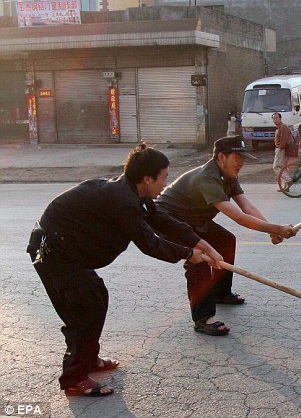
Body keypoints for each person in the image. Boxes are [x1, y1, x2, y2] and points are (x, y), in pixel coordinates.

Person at [27, 143, 222, 397]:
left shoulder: (135, 195)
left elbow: (161, 220)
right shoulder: (123, 201)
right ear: (147, 178)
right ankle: (74, 378)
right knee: (84, 310)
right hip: (54, 254)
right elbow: (150, 243)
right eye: (164, 177)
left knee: (97, 297)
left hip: (70, 251)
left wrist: (199, 242)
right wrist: (189, 254)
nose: (166, 182)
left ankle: (89, 359)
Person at [156, 137, 297, 336]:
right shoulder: (207, 177)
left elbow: (246, 207)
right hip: (170, 220)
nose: (241, 163)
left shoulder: (229, 175)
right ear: (221, 157)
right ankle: (203, 318)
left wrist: (272, 231)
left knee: (226, 240)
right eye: (237, 158)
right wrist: (276, 228)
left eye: (243, 158)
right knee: (199, 257)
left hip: (195, 219)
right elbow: (238, 216)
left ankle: (221, 292)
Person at [272, 112, 299, 192]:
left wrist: (280, 148)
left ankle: (288, 180)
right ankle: (286, 186)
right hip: (281, 149)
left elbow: (283, 139)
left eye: (276, 118)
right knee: (283, 167)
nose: (275, 120)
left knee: (276, 167)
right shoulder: (279, 127)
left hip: (282, 149)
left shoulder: (283, 127)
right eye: (273, 119)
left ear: (280, 118)